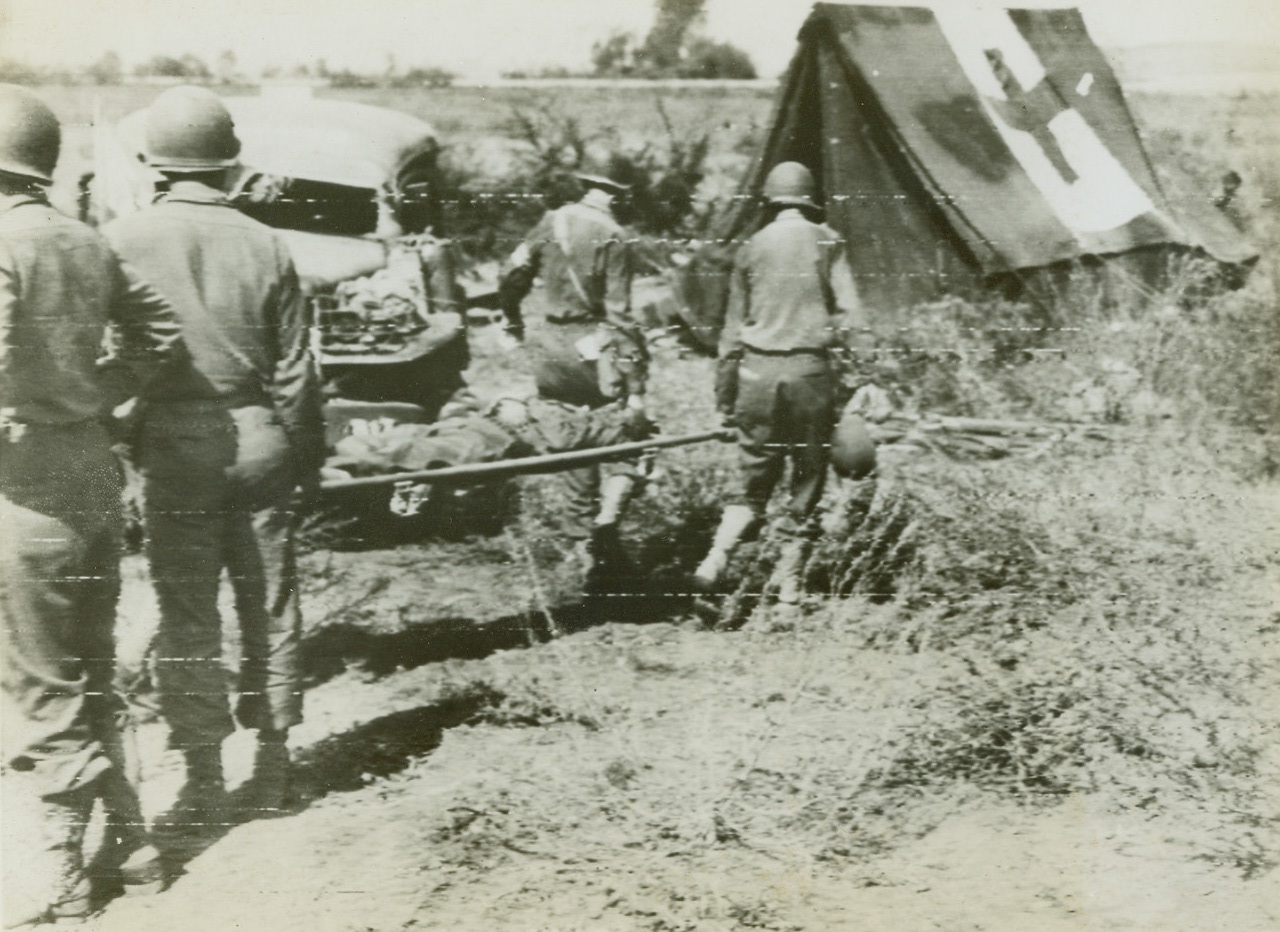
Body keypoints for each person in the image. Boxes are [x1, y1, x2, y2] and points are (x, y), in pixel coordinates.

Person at [103, 86, 326, 831]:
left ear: (154, 163)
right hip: (260, 434)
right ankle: (274, 762)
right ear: (230, 166)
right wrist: (305, 463)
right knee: (270, 604)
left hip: (174, 443)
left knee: (188, 611)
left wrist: (124, 436)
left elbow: (109, 357)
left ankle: (202, 777)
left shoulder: (122, 239)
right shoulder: (268, 243)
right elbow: (299, 374)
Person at [0, 84, 182, 923]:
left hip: (24, 485)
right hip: (89, 473)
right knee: (93, 667)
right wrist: (94, 400)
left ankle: (61, 874)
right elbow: (159, 332)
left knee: (38, 683)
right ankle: (135, 842)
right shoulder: (84, 240)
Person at [693, 161, 864, 604]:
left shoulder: (750, 247)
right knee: (807, 479)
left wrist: (724, 398)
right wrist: (856, 376)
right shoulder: (828, 241)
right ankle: (789, 588)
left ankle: (715, 558)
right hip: (809, 373)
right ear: (808, 200)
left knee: (753, 477)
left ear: (771, 200)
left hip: (756, 372)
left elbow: (731, 334)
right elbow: (849, 316)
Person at [497, 151, 651, 575]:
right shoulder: (616, 237)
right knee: (630, 433)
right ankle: (606, 524)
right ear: (618, 196)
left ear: (588, 187)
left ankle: (581, 546)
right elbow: (619, 316)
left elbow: (511, 276)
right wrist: (636, 387)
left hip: (549, 347)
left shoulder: (552, 221)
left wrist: (511, 320)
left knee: (572, 436)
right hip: (594, 346)